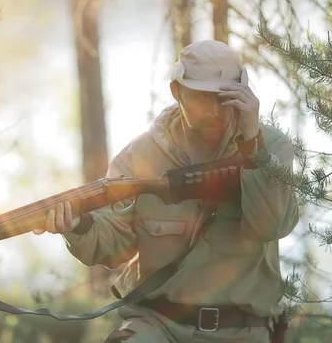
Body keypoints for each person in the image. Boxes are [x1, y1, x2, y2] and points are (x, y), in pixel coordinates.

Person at [33, 40, 299, 342]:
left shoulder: (270, 147)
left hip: (242, 330)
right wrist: (77, 225)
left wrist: (253, 147)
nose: (214, 110)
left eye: (224, 98)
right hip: (158, 325)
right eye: (201, 97)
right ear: (177, 92)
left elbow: (272, 225)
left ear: (244, 96)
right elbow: (114, 245)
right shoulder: (139, 156)